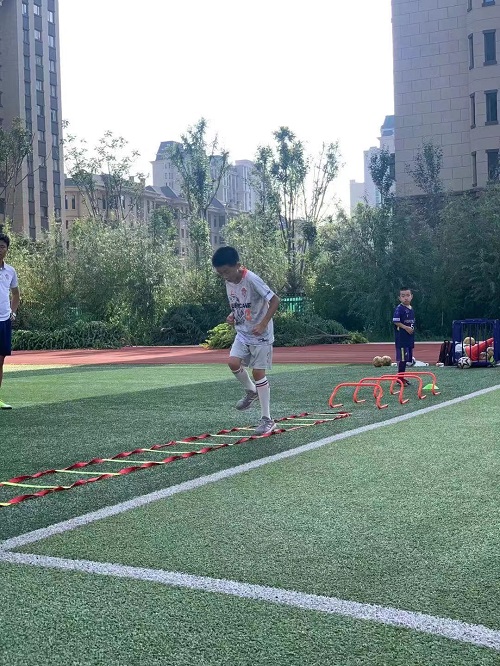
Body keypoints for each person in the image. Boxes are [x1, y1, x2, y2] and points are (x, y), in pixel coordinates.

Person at [212, 246, 280, 436]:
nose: (224, 276)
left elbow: (275, 300)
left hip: (261, 335)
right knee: (233, 362)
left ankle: (267, 419)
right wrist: (233, 315)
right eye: (220, 273)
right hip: (243, 332)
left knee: (258, 373)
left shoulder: (251, 279)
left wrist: (263, 323)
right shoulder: (229, 282)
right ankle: (251, 391)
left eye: (226, 271)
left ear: (238, 265)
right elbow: (241, 304)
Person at [0, 233, 20, 409]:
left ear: (7, 249)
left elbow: (16, 295)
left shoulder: (10, 271)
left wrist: (12, 313)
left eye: (2, 247)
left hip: (4, 320)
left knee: (0, 361)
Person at [392, 287, 415, 385]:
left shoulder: (411, 309)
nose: (406, 298)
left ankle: (402, 377)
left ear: (411, 296)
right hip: (402, 338)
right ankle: (400, 378)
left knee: (406, 359)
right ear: (399, 298)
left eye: (408, 295)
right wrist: (406, 328)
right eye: (403, 296)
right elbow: (396, 321)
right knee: (402, 359)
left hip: (409, 337)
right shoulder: (399, 309)